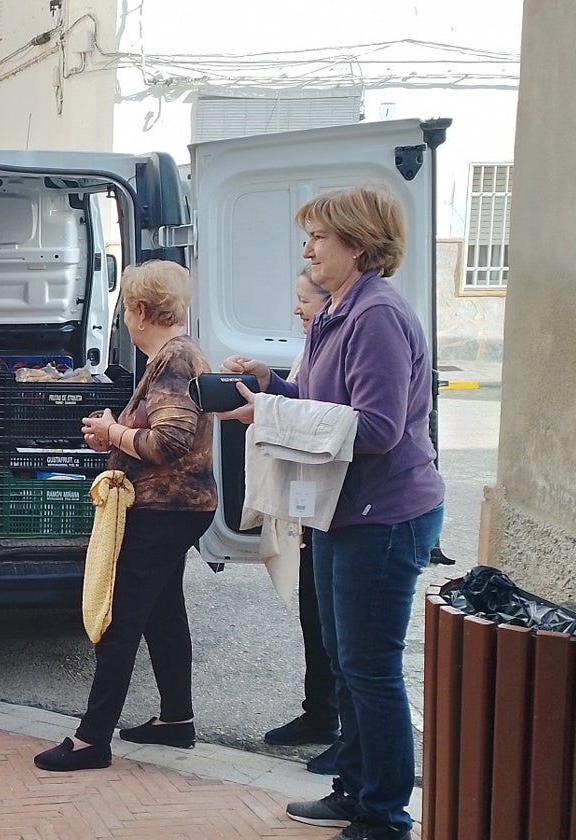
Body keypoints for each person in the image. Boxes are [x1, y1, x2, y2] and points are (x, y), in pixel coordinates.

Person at [220, 183, 445, 840]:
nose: (307, 248)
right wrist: (270, 384)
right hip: (345, 512)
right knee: (345, 659)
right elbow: (319, 399)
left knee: (370, 669)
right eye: (309, 236)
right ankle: (354, 790)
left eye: (319, 236)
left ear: (359, 243)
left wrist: (269, 413)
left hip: (385, 517)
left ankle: (384, 816)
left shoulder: (376, 316)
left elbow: (375, 428)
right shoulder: (336, 312)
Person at [32, 259, 218, 772]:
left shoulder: (175, 358)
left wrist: (114, 434)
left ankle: (93, 739)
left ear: (139, 309)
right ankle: (176, 719)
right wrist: (113, 433)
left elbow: (170, 439)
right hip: (180, 506)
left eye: (125, 310)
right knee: (163, 613)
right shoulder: (178, 353)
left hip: (164, 507)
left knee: (120, 617)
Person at [262, 264, 343, 776]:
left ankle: (349, 738)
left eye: (304, 300)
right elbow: (303, 403)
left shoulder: (362, 329)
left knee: (345, 637)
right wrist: (267, 384)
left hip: (344, 506)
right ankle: (320, 717)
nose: (297, 308)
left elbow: (335, 419)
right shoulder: (311, 347)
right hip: (316, 504)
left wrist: (266, 408)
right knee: (315, 617)